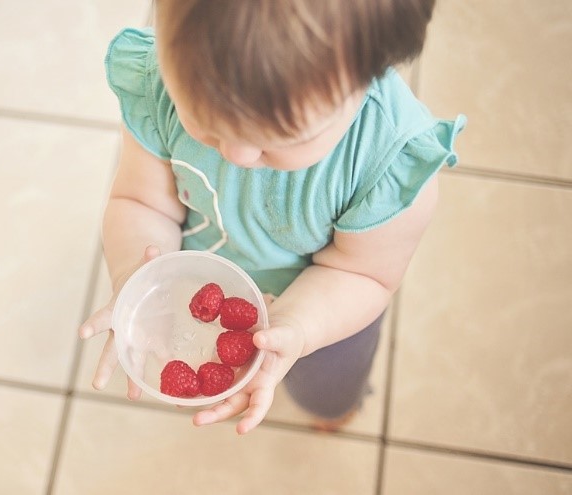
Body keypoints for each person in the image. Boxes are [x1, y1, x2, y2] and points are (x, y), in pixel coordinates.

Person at [78, 0, 466, 435]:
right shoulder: (163, 82)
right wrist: (136, 275)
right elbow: (142, 202)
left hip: (326, 305)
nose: (236, 154)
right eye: (205, 121)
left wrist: (298, 327)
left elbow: (365, 274)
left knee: (327, 386)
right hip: (207, 275)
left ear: (370, 74)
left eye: (277, 140)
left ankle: (333, 409)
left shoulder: (387, 162)